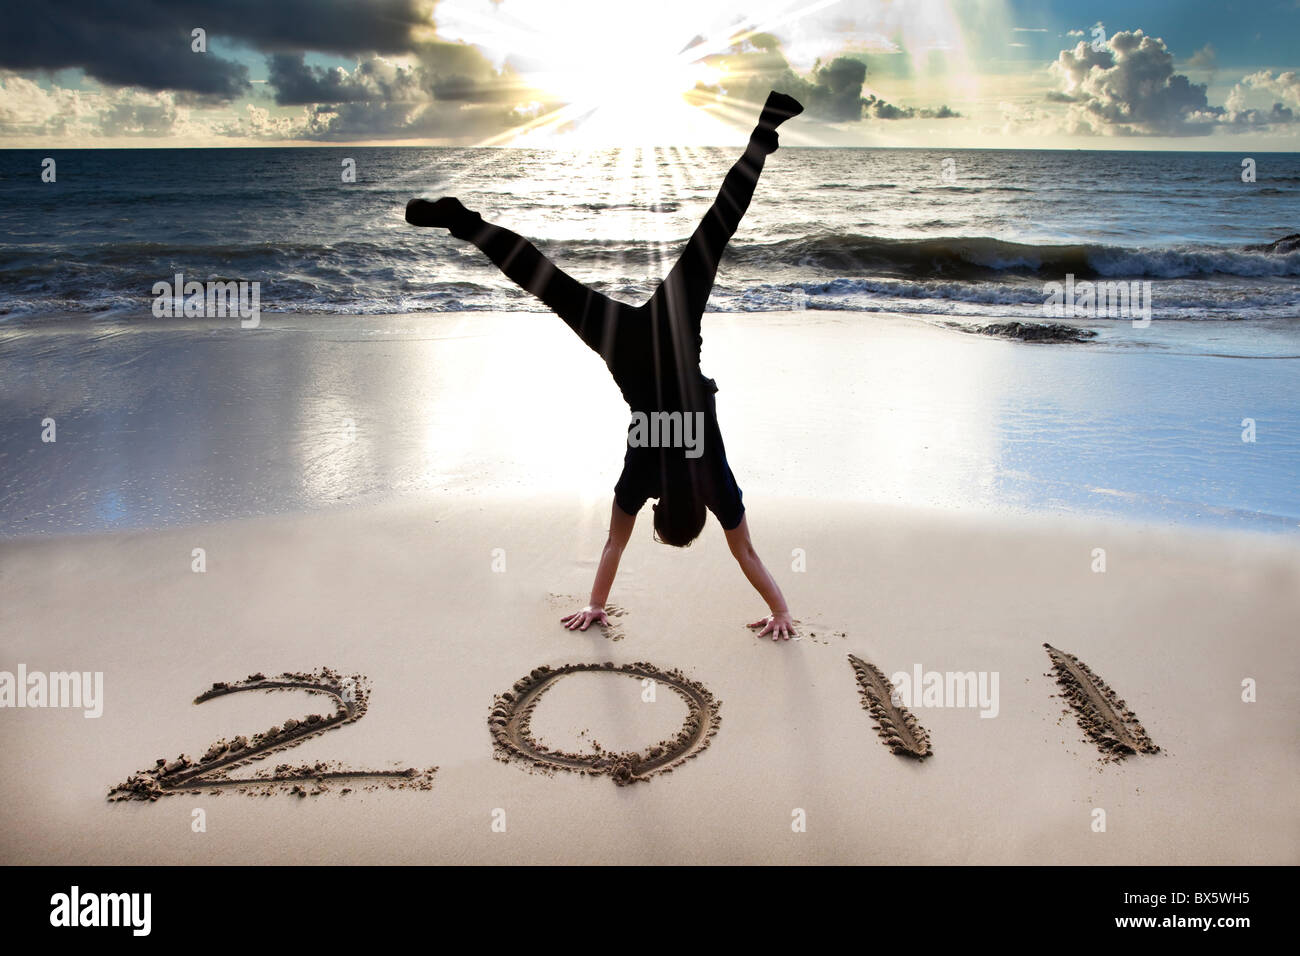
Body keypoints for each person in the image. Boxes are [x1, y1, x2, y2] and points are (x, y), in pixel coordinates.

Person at [406, 90, 802, 641]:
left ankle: (763, 134)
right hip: (626, 351)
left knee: (715, 232)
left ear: (698, 509)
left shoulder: (715, 483)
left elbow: (747, 552)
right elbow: (614, 543)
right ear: (659, 510)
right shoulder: (642, 478)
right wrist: (594, 605)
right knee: (545, 281)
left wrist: (782, 608)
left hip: (672, 334)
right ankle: (466, 224)